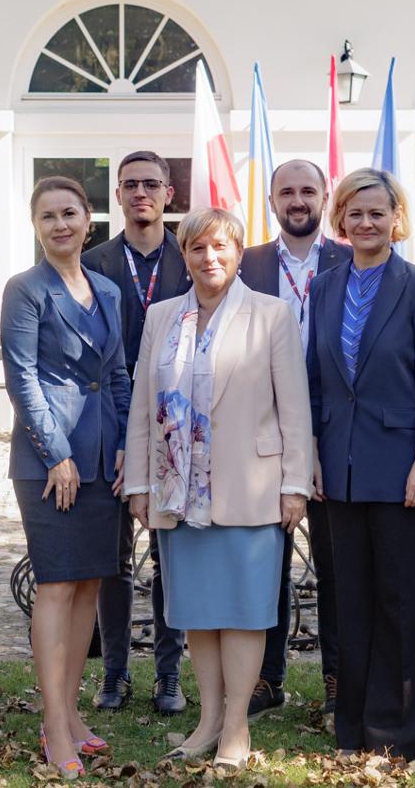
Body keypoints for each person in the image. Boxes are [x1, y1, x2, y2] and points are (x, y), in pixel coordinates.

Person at [124, 208, 314, 768]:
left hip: (251, 488)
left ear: (238, 254)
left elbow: (294, 408)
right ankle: (207, 720)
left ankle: (236, 729)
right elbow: (141, 405)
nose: (210, 258)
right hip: (177, 491)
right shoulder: (160, 316)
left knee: (246, 611)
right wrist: (138, 481)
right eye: (198, 248)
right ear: (184, 255)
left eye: (221, 248)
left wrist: (295, 485)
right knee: (197, 611)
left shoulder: (271, 314)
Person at [306, 168, 415, 761]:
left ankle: (395, 733)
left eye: (376, 212)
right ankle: (353, 727)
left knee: (399, 600)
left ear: (397, 218)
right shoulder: (323, 285)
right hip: (337, 468)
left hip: (401, 469)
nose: (365, 223)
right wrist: (312, 455)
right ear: (340, 219)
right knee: (349, 601)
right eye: (354, 213)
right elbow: (316, 382)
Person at [3, 176, 131, 778]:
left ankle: (73, 711)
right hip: (50, 462)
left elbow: (121, 375)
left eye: (70, 213)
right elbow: (22, 380)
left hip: (104, 461)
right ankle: (54, 726)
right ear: (36, 226)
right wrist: (56, 454)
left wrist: (130, 446)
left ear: (88, 221)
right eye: (48, 215)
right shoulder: (25, 289)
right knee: (56, 586)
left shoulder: (107, 287)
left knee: (89, 587)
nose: (60, 224)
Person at [237, 158, 351, 717]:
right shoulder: (245, 263)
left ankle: (337, 677)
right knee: (266, 559)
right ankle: (265, 677)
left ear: (325, 197)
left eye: (308, 190)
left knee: (334, 563)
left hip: (334, 431)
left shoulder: (353, 260)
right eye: (287, 191)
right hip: (261, 430)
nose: (298, 200)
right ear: (273, 201)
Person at [81, 151, 190, 715]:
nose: (140, 192)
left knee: (169, 550)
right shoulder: (93, 261)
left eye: (151, 184)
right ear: (117, 195)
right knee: (113, 557)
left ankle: (169, 674)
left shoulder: (191, 257)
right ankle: (116, 675)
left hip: (174, 425)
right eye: (130, 185)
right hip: (107, 424)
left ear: (169, 193)